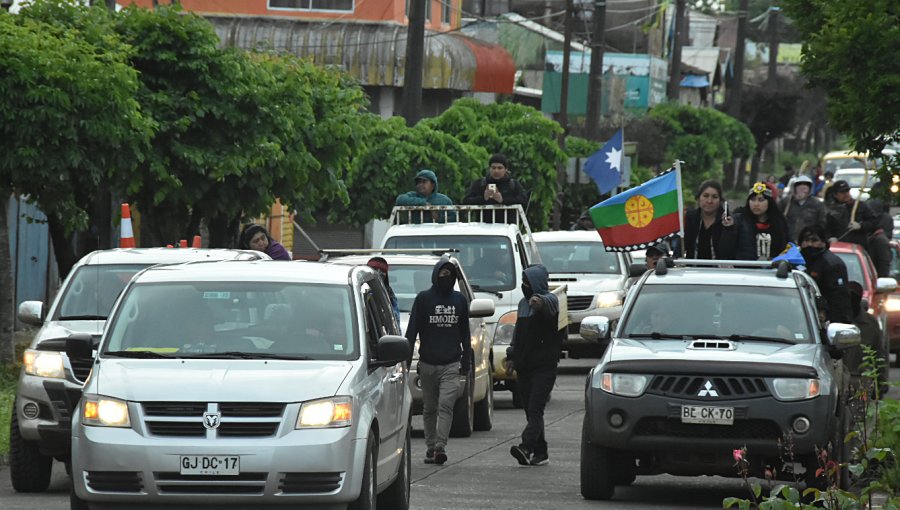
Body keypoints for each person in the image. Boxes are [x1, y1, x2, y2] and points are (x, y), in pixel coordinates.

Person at [404, 258, 471, 465]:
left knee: (445, 405)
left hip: (451, 364)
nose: (446, 278)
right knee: (430, 407)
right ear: (435, 276)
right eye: (442, 274)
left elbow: (465, 334)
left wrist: (466, 361)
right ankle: (431, 447)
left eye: (449, 274)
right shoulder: (424, 299)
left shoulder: (460, 300)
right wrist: (405, 360)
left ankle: (440, 446)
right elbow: (412, 330)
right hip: (427, 364)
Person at [505, 264, 560, 467]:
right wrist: (511, 356)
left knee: (536, 409)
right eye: (523, 282)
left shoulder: (551, 300)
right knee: (530, 410)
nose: (524, 286)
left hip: (544, 366)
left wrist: (538, 300)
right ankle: (541, 451)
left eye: (527, 282)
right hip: (524, 365)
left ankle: (526, 446)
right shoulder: (522, 304)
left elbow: (544, 304)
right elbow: (518, 333)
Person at [798, 224, 853, 324]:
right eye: (806, 241)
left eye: (814, 241)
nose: (809, 244)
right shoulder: (797, 261)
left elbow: (839, 299)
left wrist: (830, 318)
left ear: (823, 242)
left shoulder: (833, 264)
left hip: (827, 320)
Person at [842, 281, 887, 392]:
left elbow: (879, 354)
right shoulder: (835, 321)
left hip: (861, 382)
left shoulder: (870, 324)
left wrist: (881, 383)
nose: (850, 301)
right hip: (837, 381)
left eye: (854, 297)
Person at [681, 180, 738, 259]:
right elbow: (681, 247)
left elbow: (729, 251)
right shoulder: (690, 217)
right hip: (692, 269)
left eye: (714, 197)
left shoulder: (729, 221)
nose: (709, 201)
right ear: (698, 198)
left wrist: (729, 229)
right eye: (705, 196)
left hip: (719, 269)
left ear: (720, 201)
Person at [735, 182, 789, 260]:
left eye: (761, 200)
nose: (756, 204)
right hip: (744, 268)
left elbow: (786, 246)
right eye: (753, 199)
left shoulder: (779, 221)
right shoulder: (740, 219)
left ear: (769, 202)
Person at [825, 180, 879, 249]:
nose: (846, 194)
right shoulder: (830, 209)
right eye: (842, 192)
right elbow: (826, 229)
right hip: (839, 248)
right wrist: (830, 238)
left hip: (858, 247)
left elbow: (874, 222)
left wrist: (861, 226)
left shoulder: (860, 206)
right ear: (835, 195)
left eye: (847, 191)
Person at [462, 153, 529, 207]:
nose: (496, 171)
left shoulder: (513, 184)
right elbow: (466, 201)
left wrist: (503, 200)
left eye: (500, 168)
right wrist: (483, 199)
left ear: (506, 169)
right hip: (483, 223)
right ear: (489, 168)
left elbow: (524, 201)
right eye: (493, 168)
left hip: (508, 223)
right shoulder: (480, 183)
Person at [780, 174, 826, 243]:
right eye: (799, 188)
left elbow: (822, 223)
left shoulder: (817, 204)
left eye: (804, 189)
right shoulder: (786, 202)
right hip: (788, 241)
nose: (801, 191)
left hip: (808, 241)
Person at [367, 257, 400, 328]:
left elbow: (395, 322)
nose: (378, 273)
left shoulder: (389, 294)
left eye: (382, 271)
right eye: (375, 269)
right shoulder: (360, 290)